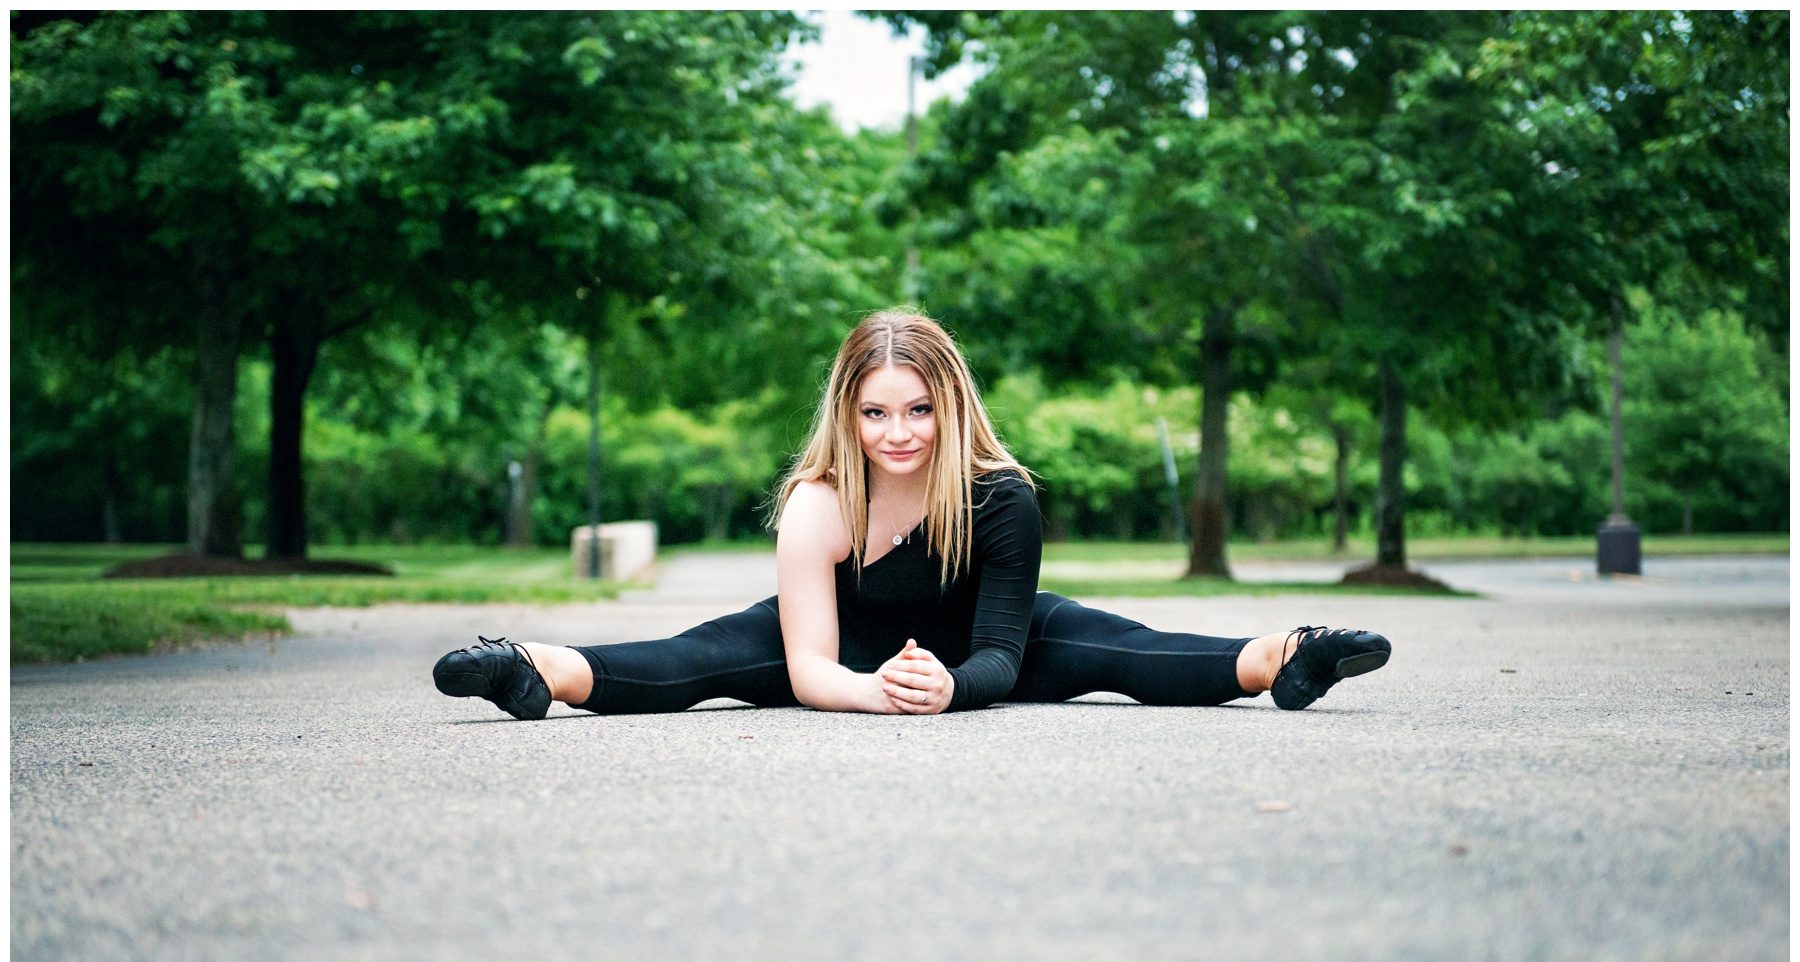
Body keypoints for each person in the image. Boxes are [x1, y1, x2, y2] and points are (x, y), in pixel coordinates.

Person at [432, 310, 1390, 721]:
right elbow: (808, 667)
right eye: (878, 411)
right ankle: (532, 668)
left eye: (921, 409)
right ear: (847, 413)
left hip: (983, 643)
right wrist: (879, 692)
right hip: (844, 652)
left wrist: (949, 690)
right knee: (695, 661)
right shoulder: (817, 504)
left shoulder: (1000, 496)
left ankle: (1286, 653)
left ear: (953, 404)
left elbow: (1005, 660)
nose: (901, 432)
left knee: (1118, 648)